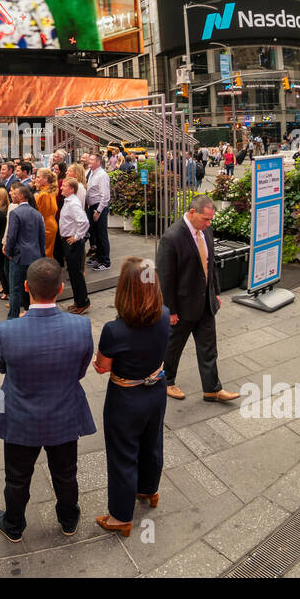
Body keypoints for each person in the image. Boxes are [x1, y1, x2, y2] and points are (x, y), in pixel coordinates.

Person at [0, 258, 95, 541]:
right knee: (66, 474)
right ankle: (69, 520)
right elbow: (81, 371)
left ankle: (13, 525)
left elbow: (1, 367)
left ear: (26, 287)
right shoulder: (81, 327)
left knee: (17, 477)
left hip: (20, 417)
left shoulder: (6, 331)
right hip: (64, 413)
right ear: (60, 288)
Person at [92, 257, 169, 536]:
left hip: (125, 398)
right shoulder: (164, 315)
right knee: (152, 442)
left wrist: (96, 362)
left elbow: (102, 367)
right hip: (157, 389)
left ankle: (121, 517)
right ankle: (149, 491)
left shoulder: (115, 330)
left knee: (123, 454)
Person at [157, 195, 237, 403]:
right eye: (205, 219)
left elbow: (211, 264)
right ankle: (166, 382)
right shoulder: (172, 237)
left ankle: (212, 389)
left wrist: (216, 292)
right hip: (182, 307)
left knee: (209, 348)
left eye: (211, 219)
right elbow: (166, 278)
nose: (208, 224)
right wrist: (170, 310)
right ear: (192, 213)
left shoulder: (206, 231)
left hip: (205, 303)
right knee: (173, 348)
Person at [3, 184, 45, 320]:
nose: (11, 195)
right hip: (35, 256)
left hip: (19, 257)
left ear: (21, 196)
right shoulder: (37, 214)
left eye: (14, 193)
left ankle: (13, 317)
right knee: (33, 289)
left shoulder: (15, 213)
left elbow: (11, 236)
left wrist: (9, 252)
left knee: (15, 289)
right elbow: (41, 238)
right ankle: (33, 314)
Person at [59, 176, 92, 315]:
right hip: (68, 241)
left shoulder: (73, 203)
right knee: (72, 274)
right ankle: (78, 301)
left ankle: (83, 302)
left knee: (76, 274)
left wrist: (76, 237)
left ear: (71, 189)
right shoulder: (69, 201)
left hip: (72, 243)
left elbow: (84, 222)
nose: (61, 187)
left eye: (64, 186)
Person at [85, 153, 112, 271]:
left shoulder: (102, 175)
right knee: (95, 235)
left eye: (91, 159)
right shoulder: (91, 173)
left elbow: (105, 196)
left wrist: (98, 211)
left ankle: (105, 262)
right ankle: (98, 257)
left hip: (99, 207)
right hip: (92, 206)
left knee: (102, 235)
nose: (89, 161)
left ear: (98, 162)